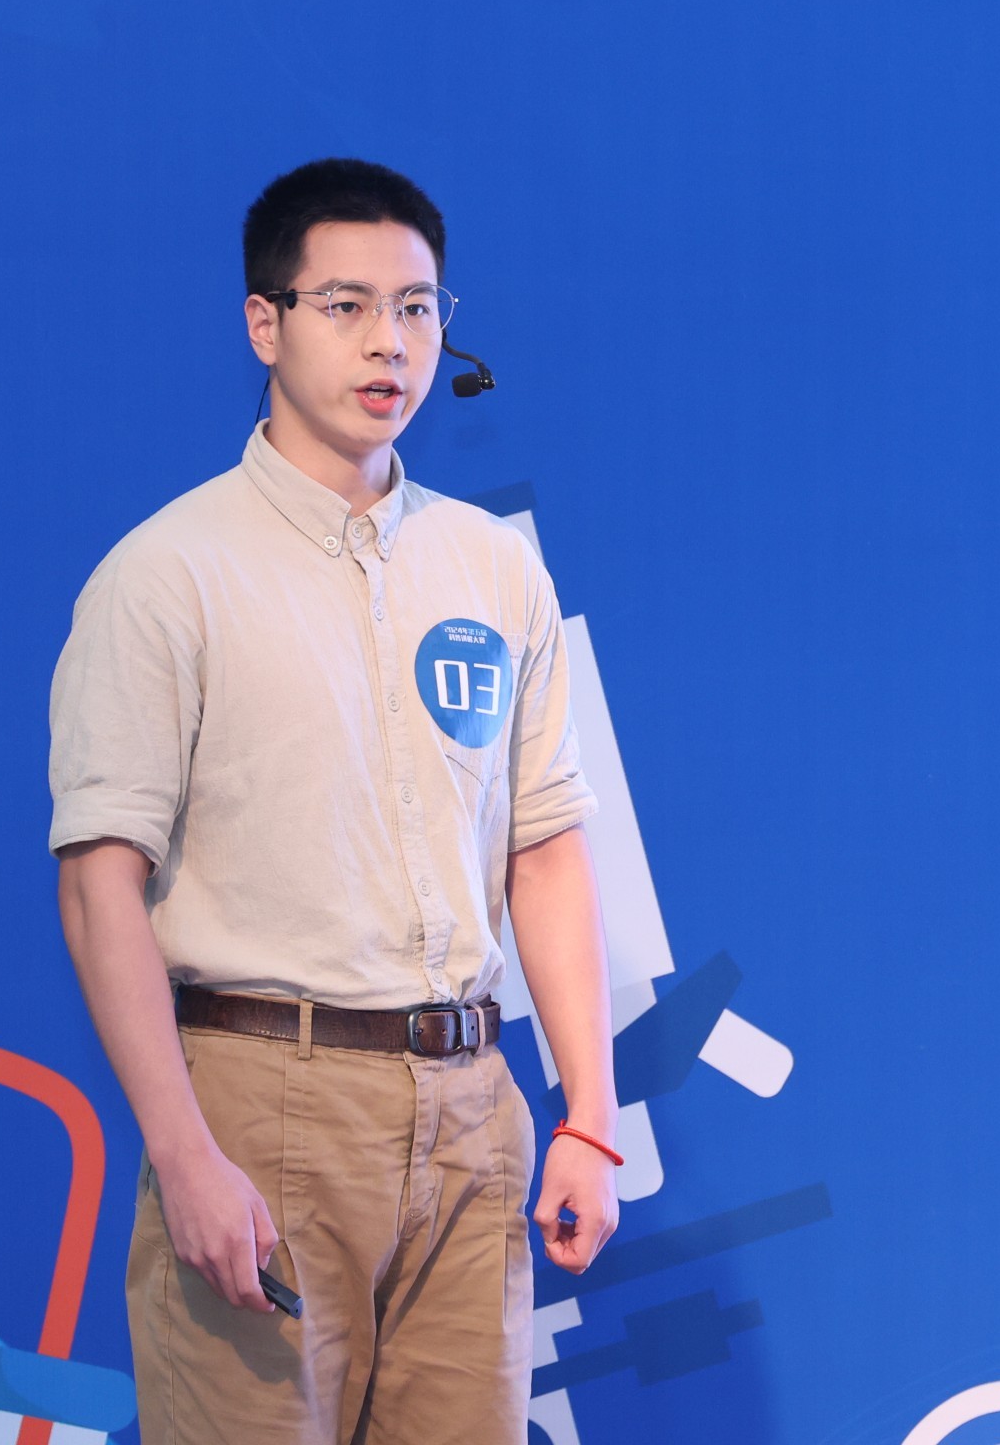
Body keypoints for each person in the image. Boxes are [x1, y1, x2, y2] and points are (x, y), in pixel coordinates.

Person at [49, 157, 620, 1442]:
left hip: (472, 1113)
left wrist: (588, 1112)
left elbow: (544, 847)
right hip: (263, 1100)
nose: (390, 342)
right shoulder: (167, 574)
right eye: (346, 304)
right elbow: (98, 887)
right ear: (266, 322)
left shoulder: (495, 567)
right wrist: (185, 1151)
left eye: (417, 308)